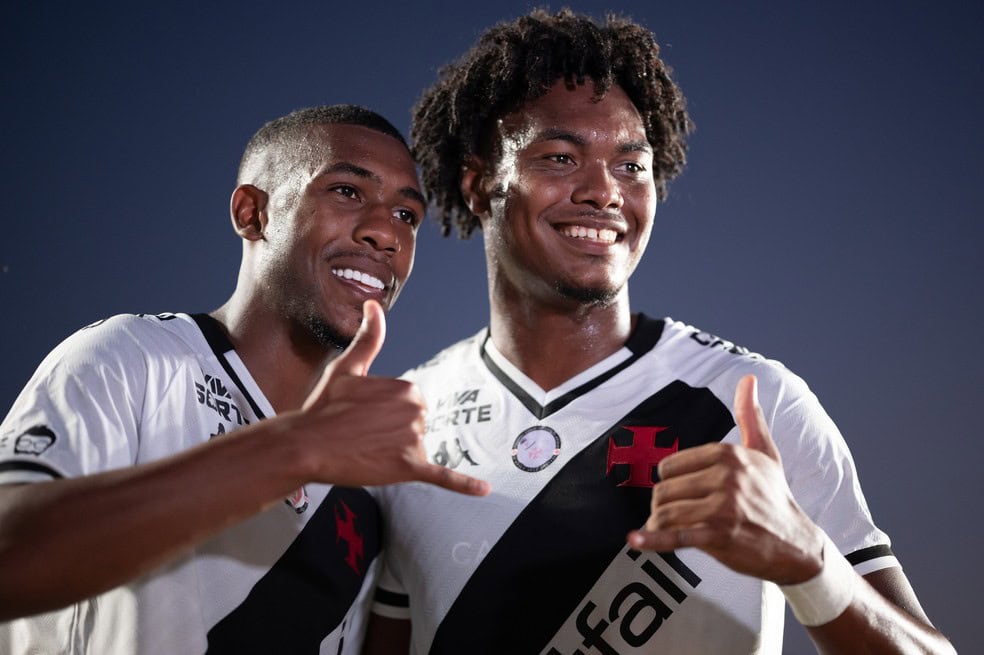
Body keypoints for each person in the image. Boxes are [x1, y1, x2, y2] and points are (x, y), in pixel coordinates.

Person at [364, 10, 955, 654]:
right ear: (480, 185)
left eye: (630, 165)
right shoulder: (404, 423)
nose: (603, 192)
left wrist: (810, 561)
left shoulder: (752, 402)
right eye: (560, 157)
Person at [0, 104, 488, 654]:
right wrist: (290, 450)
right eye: (347, 191)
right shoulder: (135, 357)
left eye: (407, 216)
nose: (385, 232)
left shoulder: (371, 490)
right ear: (253, 213)